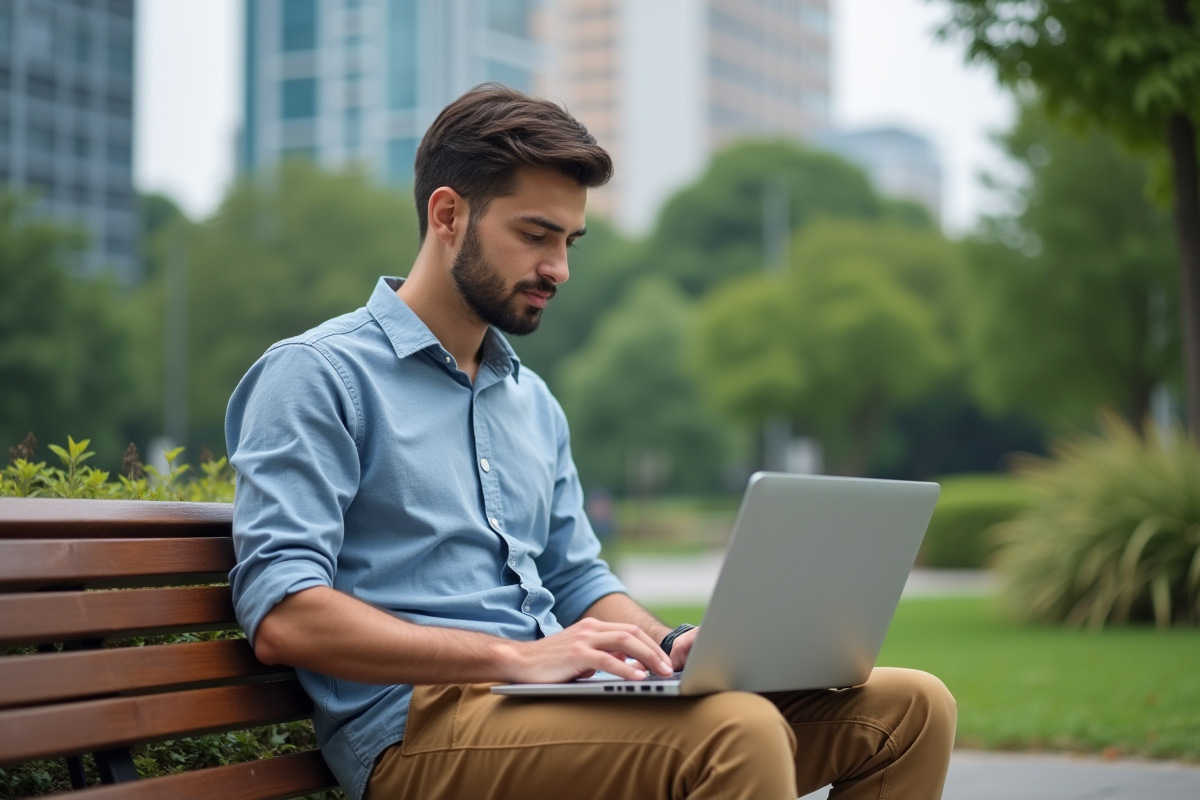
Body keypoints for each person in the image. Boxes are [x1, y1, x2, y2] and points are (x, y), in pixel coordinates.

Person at [226, 85, 956, 800]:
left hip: (550, 705)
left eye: (569, 241)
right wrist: (518, 657)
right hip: (418, 731)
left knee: (912, 709)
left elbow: (576, 582)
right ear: (447, 214)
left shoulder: (531, 402)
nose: (559, 269)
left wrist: (670, 648)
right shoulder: (318, 375)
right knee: (737, 732)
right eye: (535, 235)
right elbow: (285, 613)